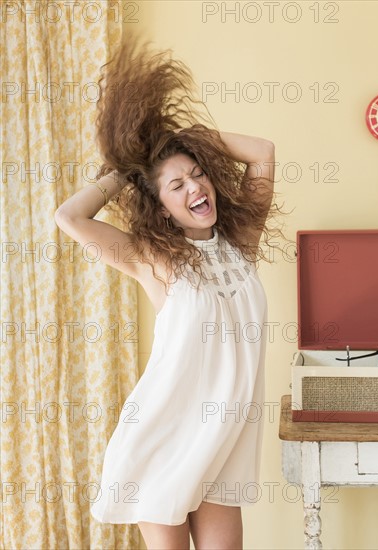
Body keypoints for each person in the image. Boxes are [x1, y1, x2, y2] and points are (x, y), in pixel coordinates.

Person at [54, 41, 284, 550]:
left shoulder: (239, 246)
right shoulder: (152, 258)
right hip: (164, 439)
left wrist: (187, 140)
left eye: (197, 175)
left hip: (224, 442)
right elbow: (69, 218)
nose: (194, 187)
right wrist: (131, 169)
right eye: (176, 185)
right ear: (161, 208)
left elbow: (262, 151)